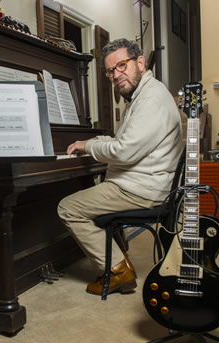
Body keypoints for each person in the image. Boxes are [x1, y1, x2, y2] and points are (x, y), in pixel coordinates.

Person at [57, 38, 183, 296]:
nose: (116, 74)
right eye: (110, 70)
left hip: (142, 189)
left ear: (140, 62)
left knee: (67, 208)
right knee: (86, 199)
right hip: (145, 183)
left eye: (121, 65)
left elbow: (124, 152)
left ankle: (117, 271)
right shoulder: (144, 94)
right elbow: (124, 141)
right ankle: (118, 262)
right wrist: (96, 141)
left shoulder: (151, 99)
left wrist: (88, 146)